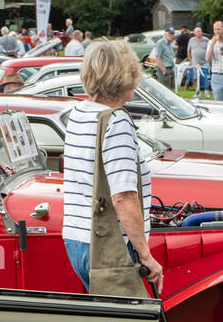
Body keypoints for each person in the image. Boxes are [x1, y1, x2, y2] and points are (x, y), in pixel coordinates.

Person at [62, 37, 163, 294]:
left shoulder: (79, 114)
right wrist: (146, 255)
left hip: (77, 237)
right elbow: (124, 197)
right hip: (109, 244)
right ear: (123, 77)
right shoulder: (116, 121)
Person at [186, 25, 209, 95]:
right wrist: (190, 60)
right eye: (197, 32)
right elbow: (188, 51)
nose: (199, 33)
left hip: (205, 61)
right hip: (195, 62)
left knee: (205, 76)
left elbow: (210, 50)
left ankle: (206, 90)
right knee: (195, 77)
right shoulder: (191, 40)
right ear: (194, 33)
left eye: (200, 31)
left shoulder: (206, 40)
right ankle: (197, 91)